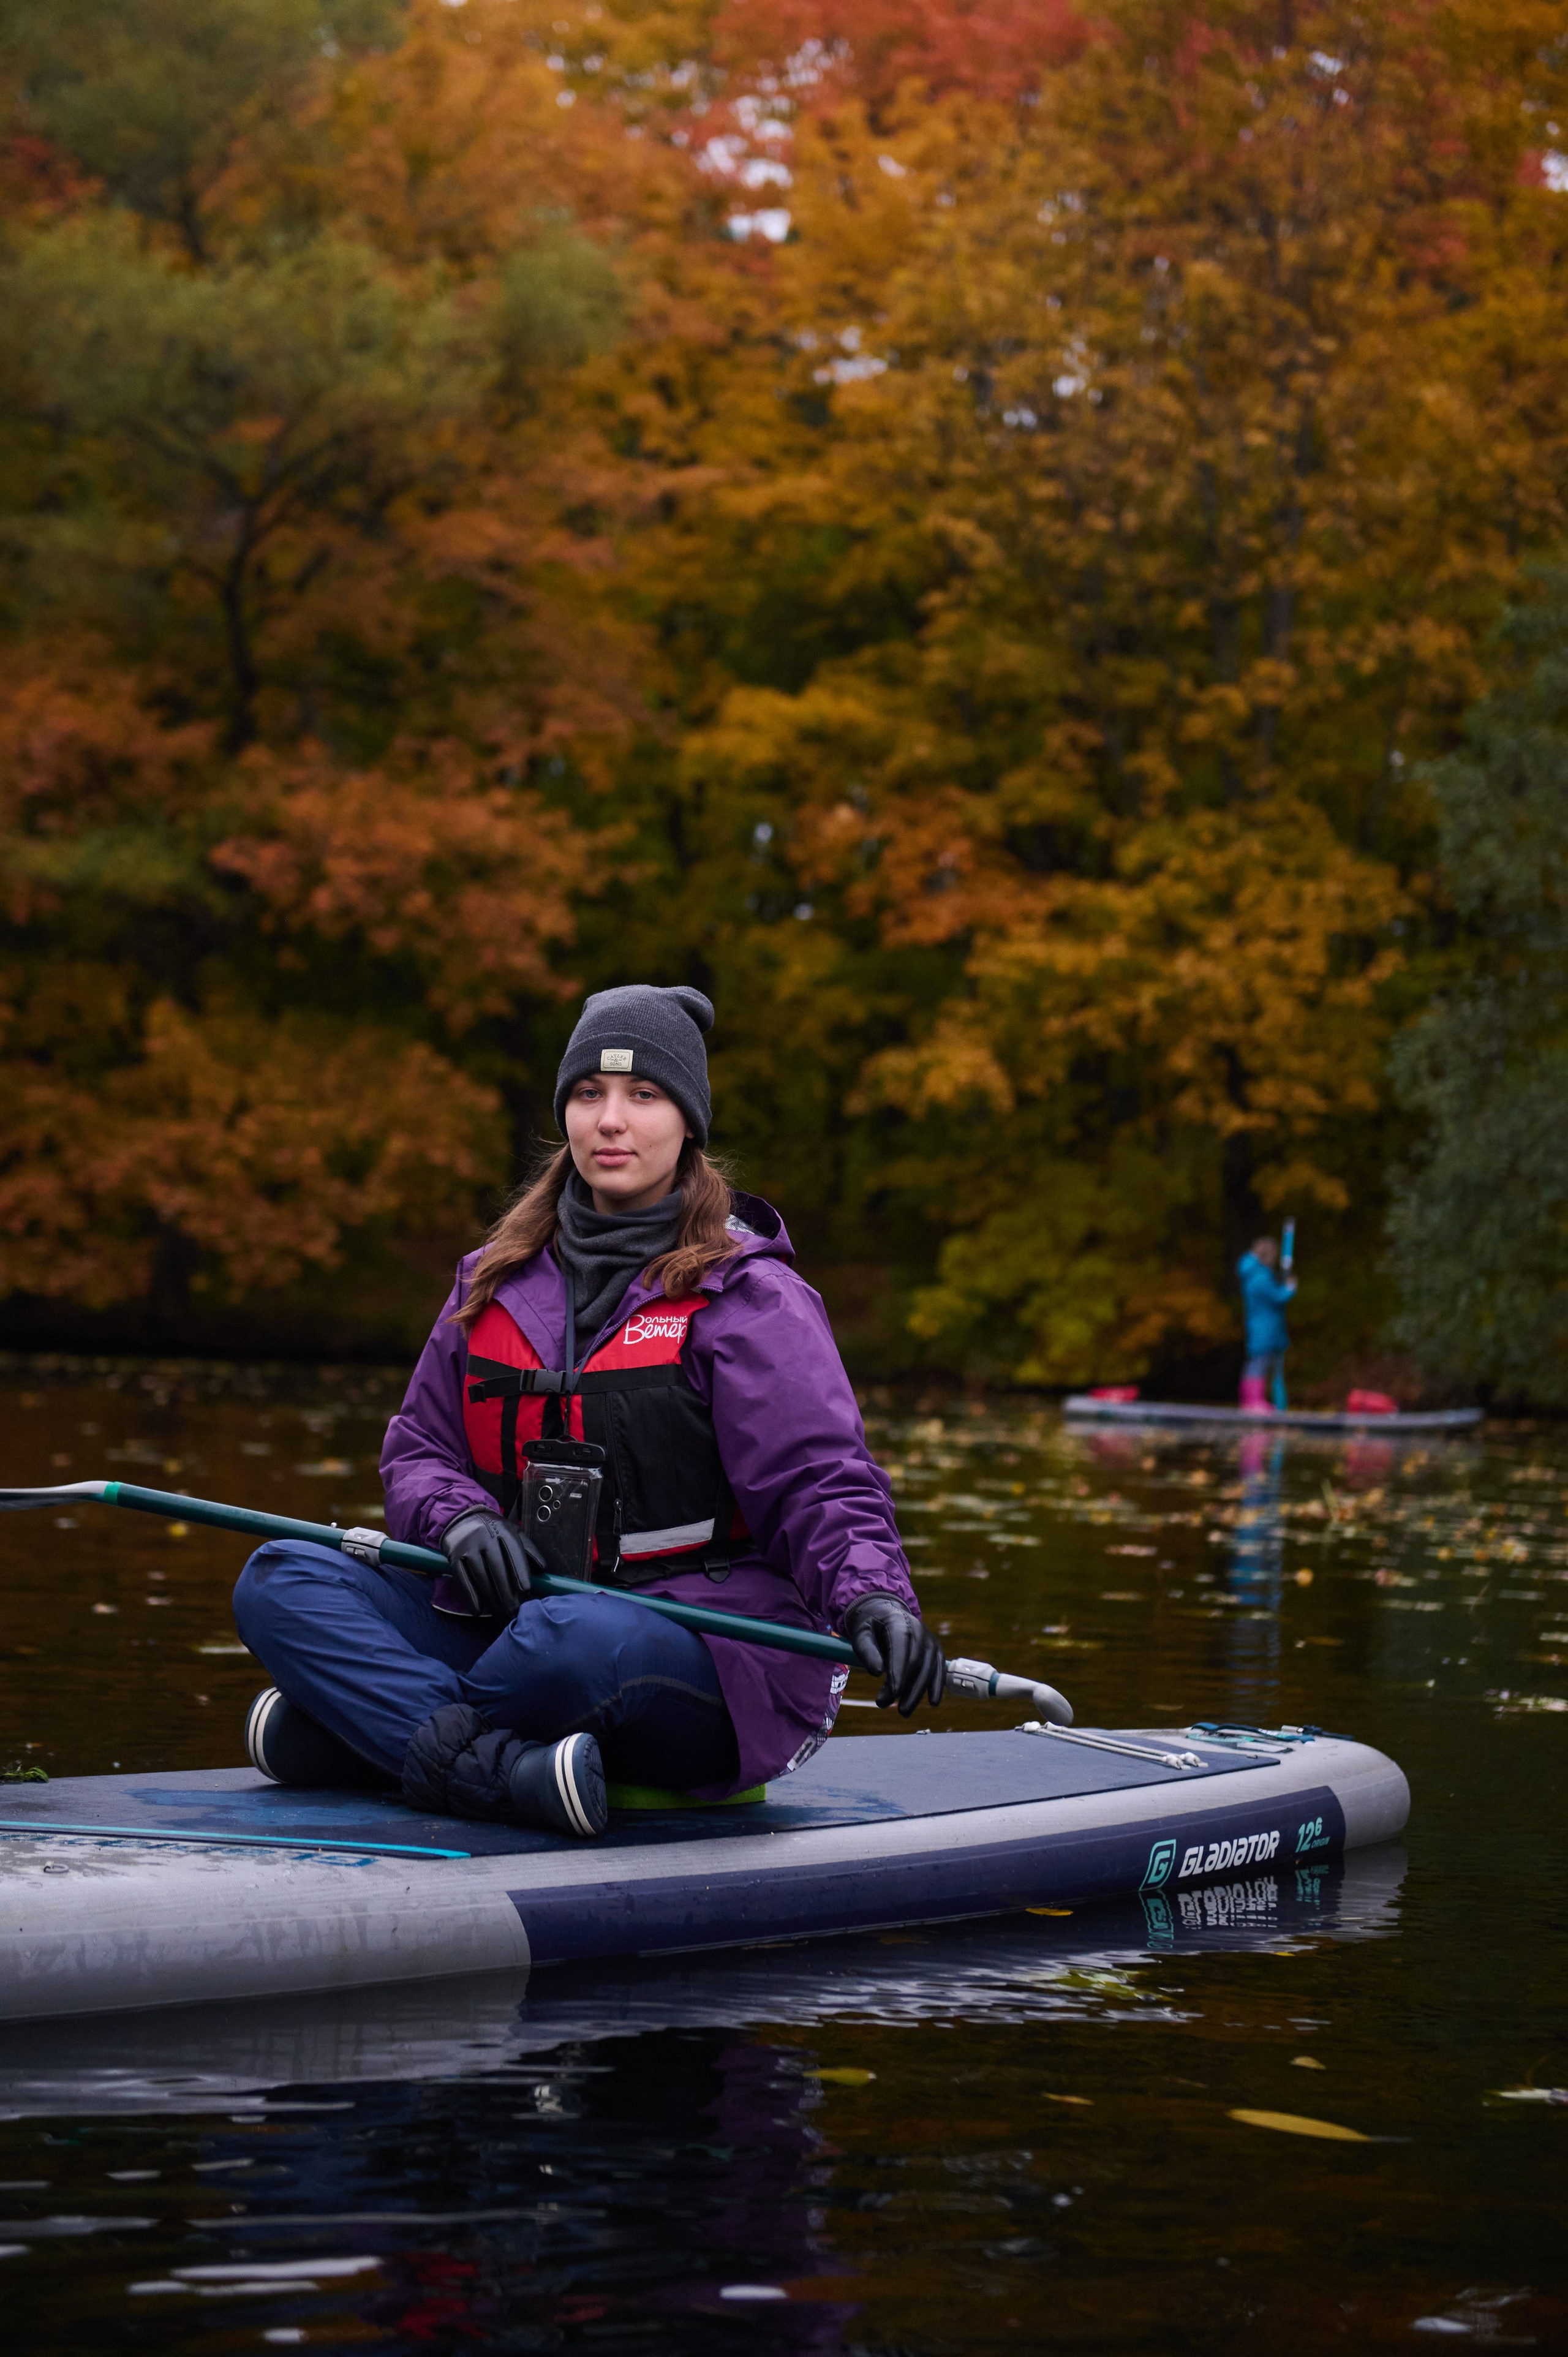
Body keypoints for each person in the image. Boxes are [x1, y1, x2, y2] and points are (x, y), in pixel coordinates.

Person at [233, 984, 944, 1838]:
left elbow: (821, 1482)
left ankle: (367, 1737)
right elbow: (419, 1449)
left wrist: (874, 1597)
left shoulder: (752, 1297)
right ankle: (496, 1773)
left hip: (699, 1646)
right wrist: (457, 1520)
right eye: (588, 1094)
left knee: (570, 1641)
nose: (611, 1120)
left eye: (644, 1096)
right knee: (283, 1576)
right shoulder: (491, 1279)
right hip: (517, 1620)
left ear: (688, 1125)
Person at [1236, 1235, 1296, 1412]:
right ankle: (1253, 1402)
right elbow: (1277, 1297)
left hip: (1261, 1325)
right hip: (1266, 1327)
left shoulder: (1253, 1275)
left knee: (1257, 1362)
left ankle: (1253, 1402)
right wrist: (1290, 1288)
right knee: (1259, 1363)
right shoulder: (1261, 1277)